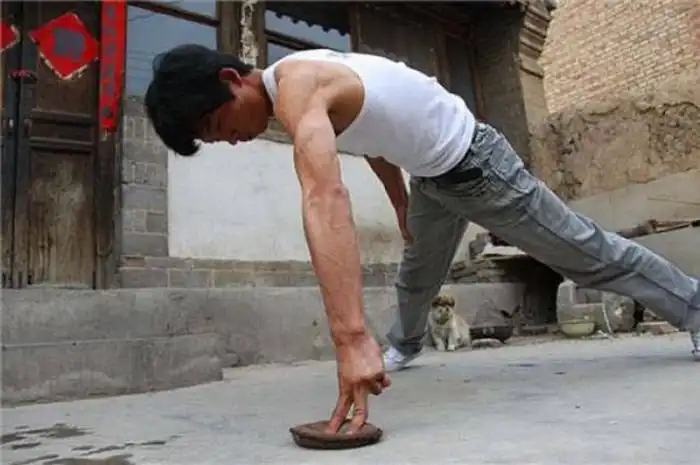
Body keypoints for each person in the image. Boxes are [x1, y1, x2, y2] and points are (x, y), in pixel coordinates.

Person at [144, 44, 700, 433]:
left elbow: (323, 199)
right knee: (416, 275)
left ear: (231, 80)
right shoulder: (305, 80)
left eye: (217, 127)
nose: (230, 140)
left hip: (479, 167)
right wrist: (400, 203)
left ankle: (694, 305)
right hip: (432, 179)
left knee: (586, 255)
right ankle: (405, 345)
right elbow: (372, 135)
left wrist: (350, 338)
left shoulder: (298, 88)